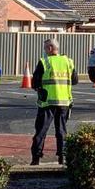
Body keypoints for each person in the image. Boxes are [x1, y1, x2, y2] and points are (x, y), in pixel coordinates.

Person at [30, 38, 78, 166]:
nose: (45, 51)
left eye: (45, 48)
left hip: (47, 103)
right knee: (61, 131)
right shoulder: (68, 62)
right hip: (64, 103)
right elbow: (74, 81)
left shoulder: (44, 62)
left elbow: (34, 82)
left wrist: (39, 89)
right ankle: (62, 158)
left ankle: (36, 158)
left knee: (41, 131)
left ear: (50, 48)